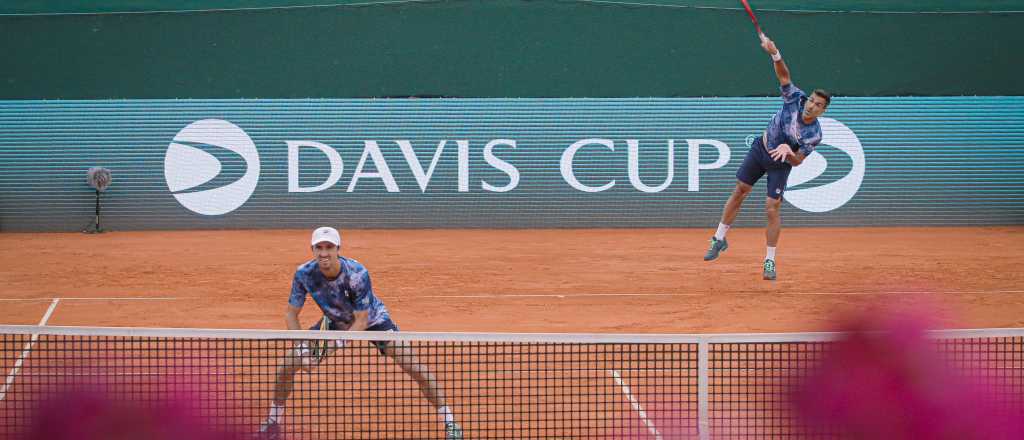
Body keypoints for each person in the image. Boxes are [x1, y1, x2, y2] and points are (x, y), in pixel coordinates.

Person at [258, 227, 463, 439]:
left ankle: (450, 422)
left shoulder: (357, 273)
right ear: (312, 249)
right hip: (336, 321)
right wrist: (301, 348)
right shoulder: (304, 274)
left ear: (338, 249)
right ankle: (273, 421)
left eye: (329, 247)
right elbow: (291, 315)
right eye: (319, 247)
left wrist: (337, 344)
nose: (324, 252)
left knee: (412, 364)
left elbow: (362, 320)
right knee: (287, 366)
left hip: (374, 320)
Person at [703, 32, 830, 280]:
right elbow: (784, 75)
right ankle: (719, 238)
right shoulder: (795, 98)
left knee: (772, 209)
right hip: (761, 149)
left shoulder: (815, 134)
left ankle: (769, 261)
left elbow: (799, 160)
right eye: (812, 100)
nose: (811, 105)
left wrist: (788, 152)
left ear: (823, 111)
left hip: (781, 164)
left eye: (817, 105)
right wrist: (775, 52)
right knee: (740, 189)